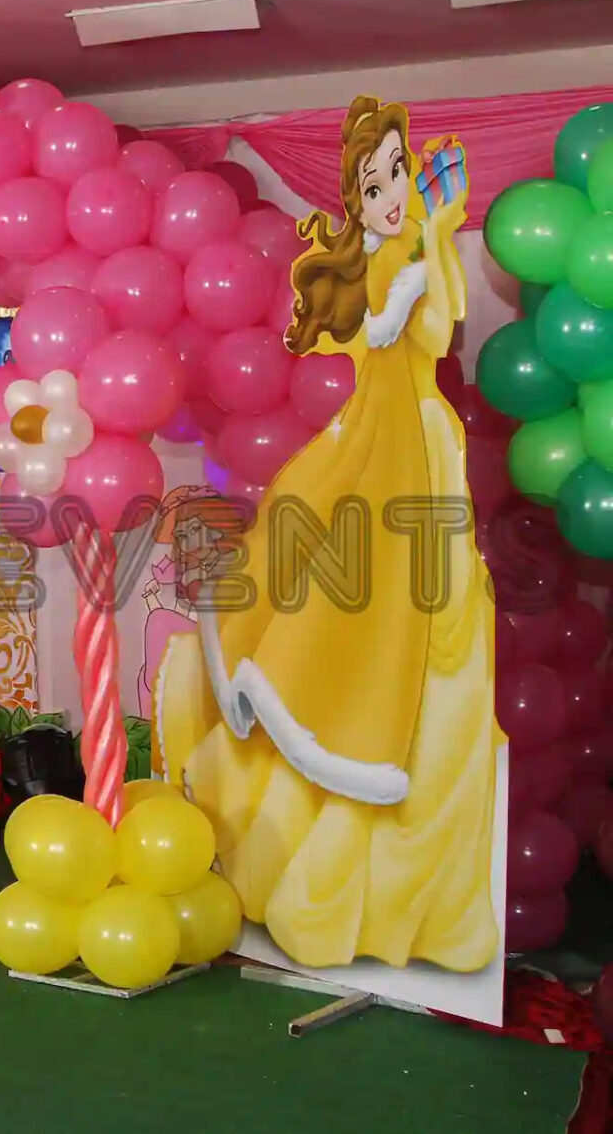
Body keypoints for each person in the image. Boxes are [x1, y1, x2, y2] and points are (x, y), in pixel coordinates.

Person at [154, 97, 498, 972]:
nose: (390, 195)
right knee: (338, 565)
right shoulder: (381, 261)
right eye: (375, 184)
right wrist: (410, 276)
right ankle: (272, 683)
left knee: (400, 583)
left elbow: (435, 335)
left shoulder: (414, 245)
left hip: (419, 435)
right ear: (357, 196)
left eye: (396, 176)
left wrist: (439, 235)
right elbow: (378, 333)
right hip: (380, 436)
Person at [137, 486, 242, 721]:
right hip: (205, 645)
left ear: (217, 530)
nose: (188, 542)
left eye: (194, 529)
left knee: (159, 621)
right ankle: (156, 724)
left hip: (228, 645)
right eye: (181, 536)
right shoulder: (193, 571)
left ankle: (161, 701)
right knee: (148, 666)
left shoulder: (233, 564)